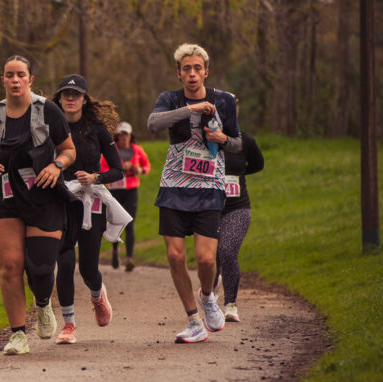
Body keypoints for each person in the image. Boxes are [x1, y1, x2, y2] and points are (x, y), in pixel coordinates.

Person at [0, 56, 77, 355]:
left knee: (40, 269)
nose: (15, 80)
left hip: (43, 195)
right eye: (9, 75)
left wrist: (56, 166)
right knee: (10, 266)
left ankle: (42, 303)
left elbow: (69, 150)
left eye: (21, 75)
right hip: (5, 197)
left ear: (30, 79)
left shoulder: (48, 111)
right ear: (2, 80)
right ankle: (17, 335)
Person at [146, 43, 241, 344]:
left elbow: (239, 144)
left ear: (206, 71)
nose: (192, 73)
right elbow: (152, 124)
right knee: (175, 256)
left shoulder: (223, 100)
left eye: (197, 68)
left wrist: (222, 137)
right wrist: (190, 109)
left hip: (209, 187)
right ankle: (193, 320)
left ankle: (208, 296)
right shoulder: (170, 99)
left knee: (204, 259)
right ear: (179, 74)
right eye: (186, 68)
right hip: (174, 185)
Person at [51, 74, 124, 345]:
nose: (71, 98)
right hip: (61, 199)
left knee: (88, 268)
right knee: (65, 261)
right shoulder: (50, 127)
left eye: (76, 94)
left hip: (91, 201)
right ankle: (69, 324)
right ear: (59, 98)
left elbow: (117, 169)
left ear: (84, 98)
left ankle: (97, 295)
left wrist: (95, 178)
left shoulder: (97, 130)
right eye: (66, 94)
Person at [215, 97, 263, 322]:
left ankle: (230, 304)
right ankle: (209, 293)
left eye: (231, 112)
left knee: (227, 252)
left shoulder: (246, 141)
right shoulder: (206, 141)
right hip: (209, 208)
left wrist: (236, 175)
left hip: (238, 207)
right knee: (210, 257)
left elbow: (258, 164)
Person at [99, 122, 151, 272]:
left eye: (125, 134)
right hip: (115, 190)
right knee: (115, 222)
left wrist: (138, 169)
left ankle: (129, 258)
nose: (123, 138)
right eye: (120, 135)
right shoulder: (111, 149)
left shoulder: (137, 150)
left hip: (131, 190)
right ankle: (115, 251)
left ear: (130, 135)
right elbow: (102, 168)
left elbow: (146, 167)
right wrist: (119, 168)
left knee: (129, 223)